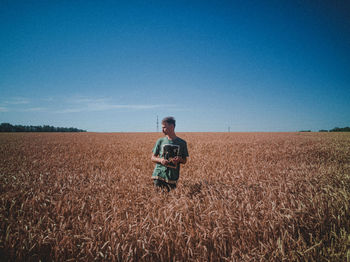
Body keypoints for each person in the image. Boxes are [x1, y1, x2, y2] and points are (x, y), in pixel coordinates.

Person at [151, 117, 189, 191]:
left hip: (172, 177)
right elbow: (152, 157)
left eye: (164, 127)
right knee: (158, 198)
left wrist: (179, 159)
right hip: (159, 174)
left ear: (171, 127)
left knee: (170, 198)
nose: (162, 130)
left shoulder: (182, 143)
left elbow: (184, 160)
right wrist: (161, 160)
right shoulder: (160, 141)